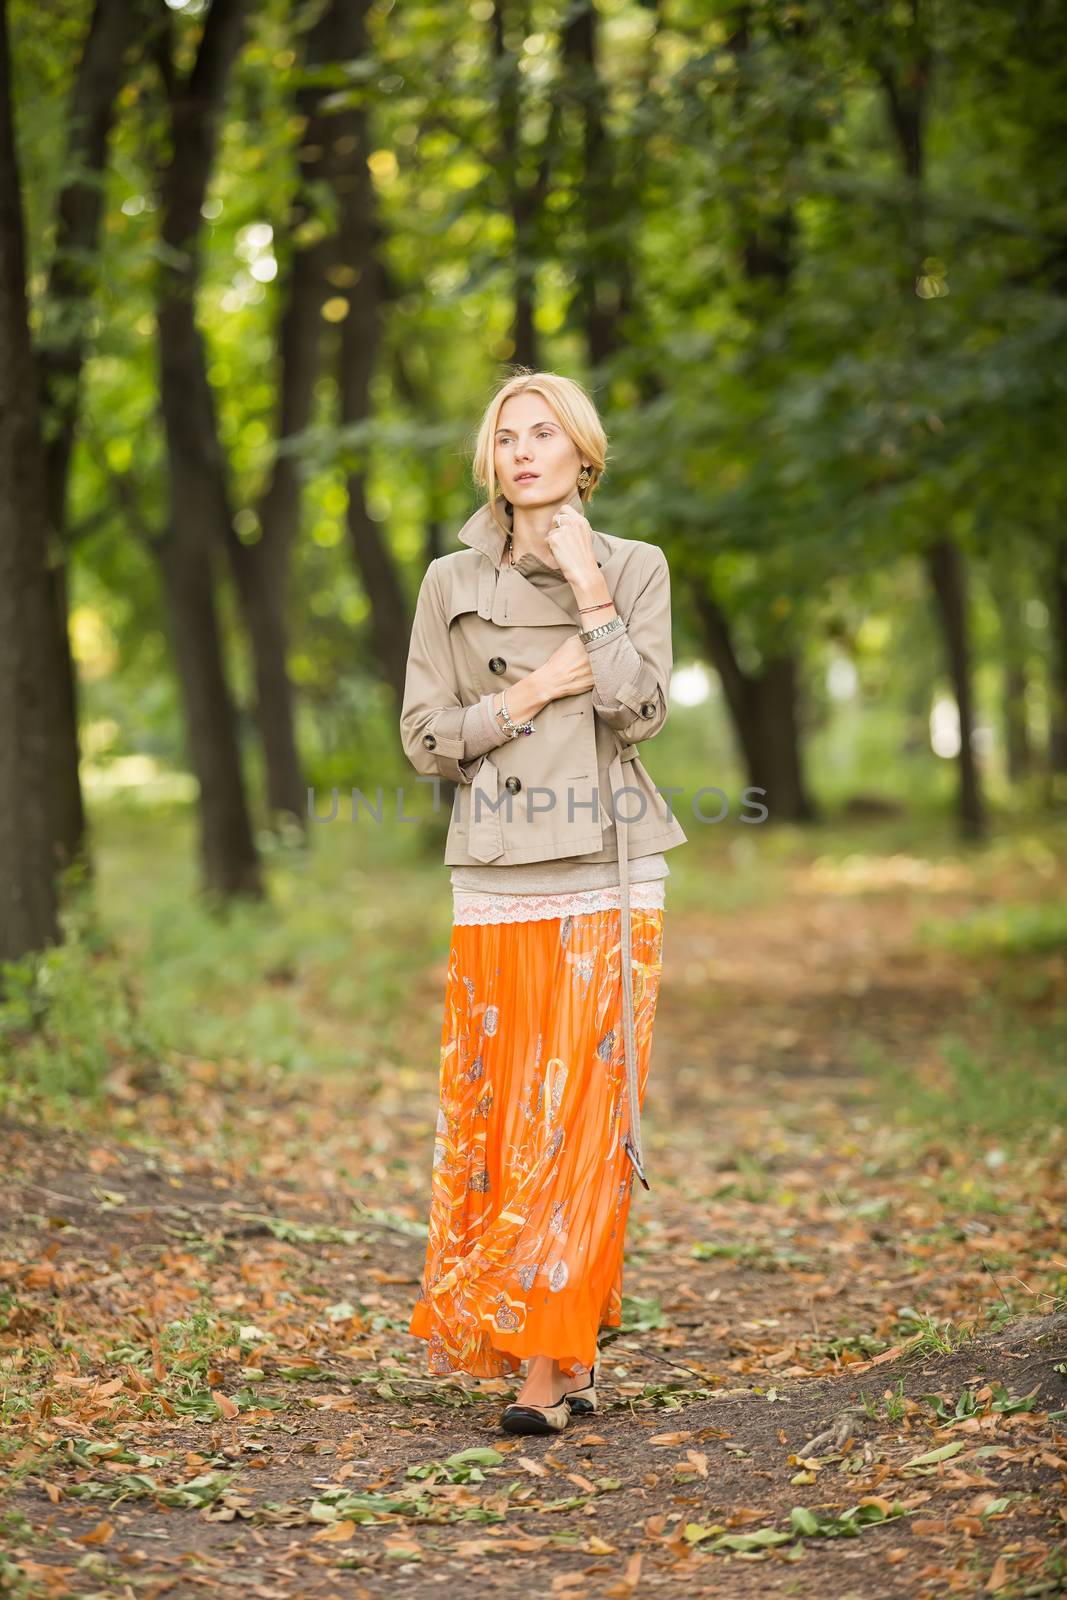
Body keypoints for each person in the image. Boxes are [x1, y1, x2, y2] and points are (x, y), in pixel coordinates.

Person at [399, 369, 687, 1434]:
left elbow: (641, 710)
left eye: (544, 433)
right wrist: (529, 691)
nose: (522, 450)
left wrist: (592, 595)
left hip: (609, 864)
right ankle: (560, 1346)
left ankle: (540, 1362)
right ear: (491, 460)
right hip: (495, 874)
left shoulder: (636, 567)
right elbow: (424, 737)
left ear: (582, 455)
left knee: (582, 1124)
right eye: (506, 436)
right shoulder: (447, 582)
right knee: (505, 1125)